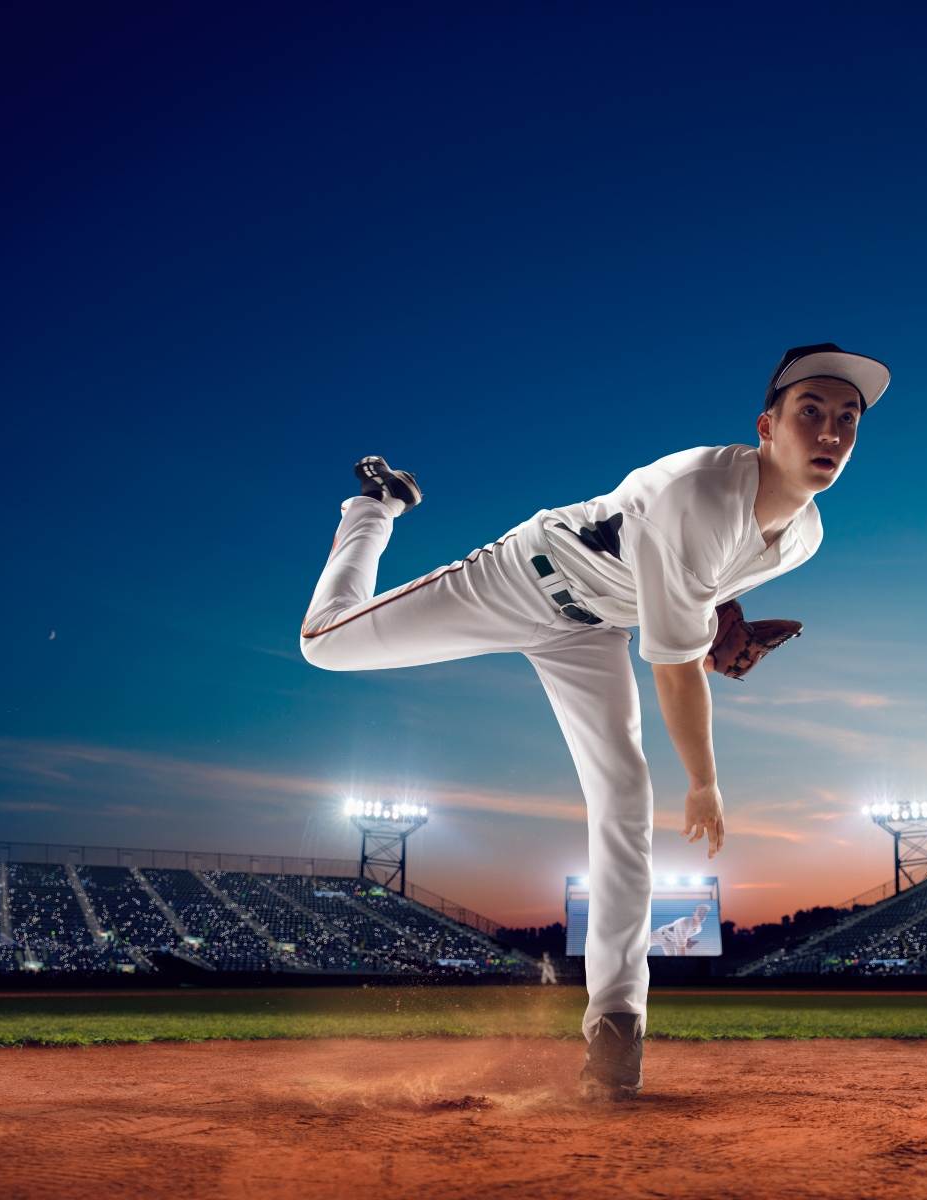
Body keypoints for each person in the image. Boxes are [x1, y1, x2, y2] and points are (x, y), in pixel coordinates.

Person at [299, 343, 889, 1100]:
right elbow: (671, 664)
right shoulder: (702, 490)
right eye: (810, 412)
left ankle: (617, 1026)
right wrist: (705, 780)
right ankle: (372, 509)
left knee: (624, 796)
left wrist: (710, 631)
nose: (831, 431)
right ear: (766, 426)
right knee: (326, 647)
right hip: (521, 579)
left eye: (847, 419)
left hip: (594, 630)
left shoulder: (804, 537)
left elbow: (691, 592)